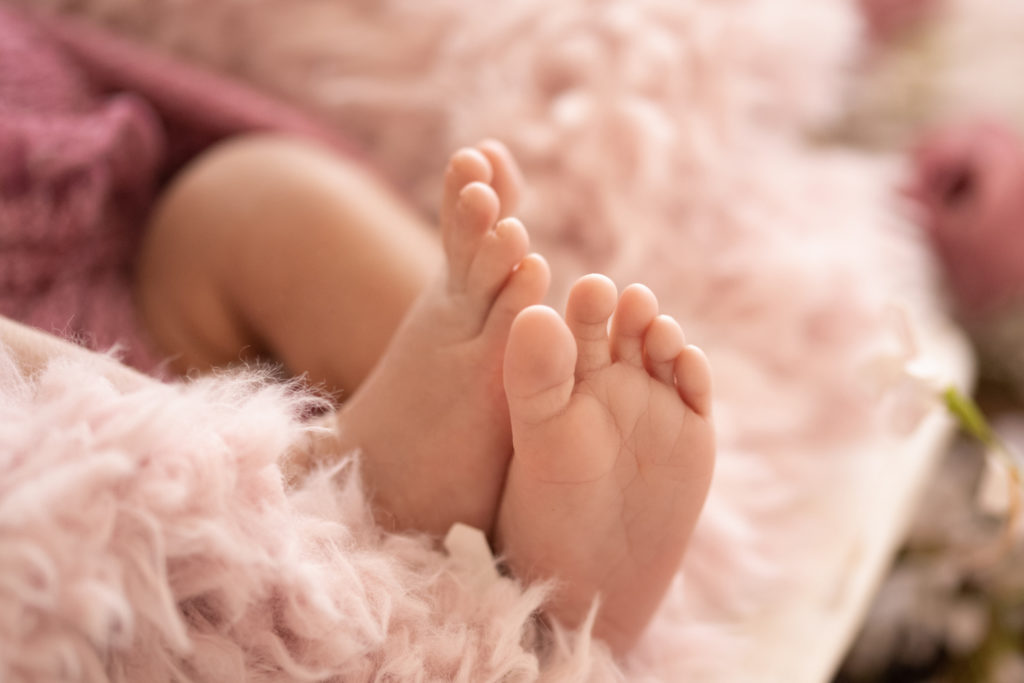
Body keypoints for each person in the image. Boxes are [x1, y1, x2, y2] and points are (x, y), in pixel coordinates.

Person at [130, 135, 717, 655]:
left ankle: (477, 425)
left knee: (237, 197)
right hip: (109, 430)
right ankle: (344, 466)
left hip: (125, 282)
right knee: (88, 418)